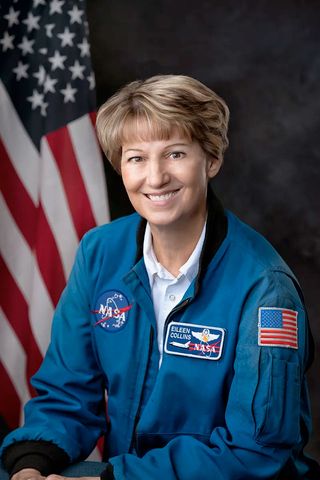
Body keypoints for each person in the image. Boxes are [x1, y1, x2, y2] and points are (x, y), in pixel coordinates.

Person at [0, 75, 319, 480]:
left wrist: (111, 479)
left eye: (175, 154)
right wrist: (31, 467)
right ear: (120, 167)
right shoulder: (100, 253)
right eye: (136, 158)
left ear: (212, 159)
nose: (155, 178)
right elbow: (67, 392)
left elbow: (257, 450)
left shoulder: (266, 288)